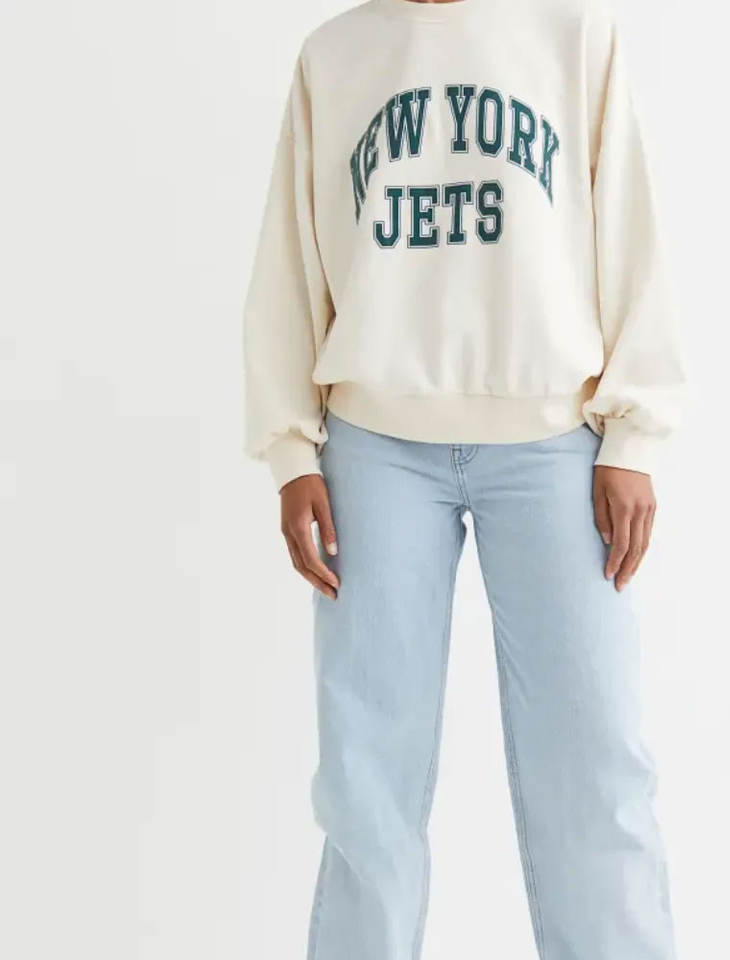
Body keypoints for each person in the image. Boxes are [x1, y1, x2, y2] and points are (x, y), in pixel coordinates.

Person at [243, 0, 685, 956]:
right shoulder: (337, 53)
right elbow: (289, 254)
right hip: (372, 447)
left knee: (596, 764)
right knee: (367, 781)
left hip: (555, 440)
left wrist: (632, 436)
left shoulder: (572, 34)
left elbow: (630, 229)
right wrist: (290, 450)